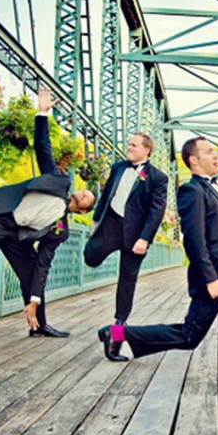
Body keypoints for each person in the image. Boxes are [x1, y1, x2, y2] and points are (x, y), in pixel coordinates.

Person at [98, 137, 218, 363]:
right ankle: (116, 333)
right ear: (194, 160)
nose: (216, 156)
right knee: (189, 336)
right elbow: (194, 239)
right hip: (213, 275)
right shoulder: (191, 191)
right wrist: (210, 279)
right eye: (210, 152)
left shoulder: (216, 187)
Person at [0, 87, 96, 350]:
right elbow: (43, 148)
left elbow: (42, 267)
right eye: (84, 190)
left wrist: (34, 299)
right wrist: (42, 113)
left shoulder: (60, 231)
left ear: (83, 211)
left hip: (17, 234)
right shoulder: (60, 180)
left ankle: (39, 324)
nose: (83, 192)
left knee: (30, 273)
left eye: (88, 198)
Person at [83, 130, 168, 361]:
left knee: (127, 279)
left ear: (146, 151)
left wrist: (145, 239)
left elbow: (156, 211)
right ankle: (97, 248)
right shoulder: (118, 167)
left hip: (135, 235)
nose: (129, 147)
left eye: (133, 145)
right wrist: (94, 221)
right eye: (129, 144)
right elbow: (106, 195)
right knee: (90, 256)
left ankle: (118, 327)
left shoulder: (158, 178)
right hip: (111, 224)